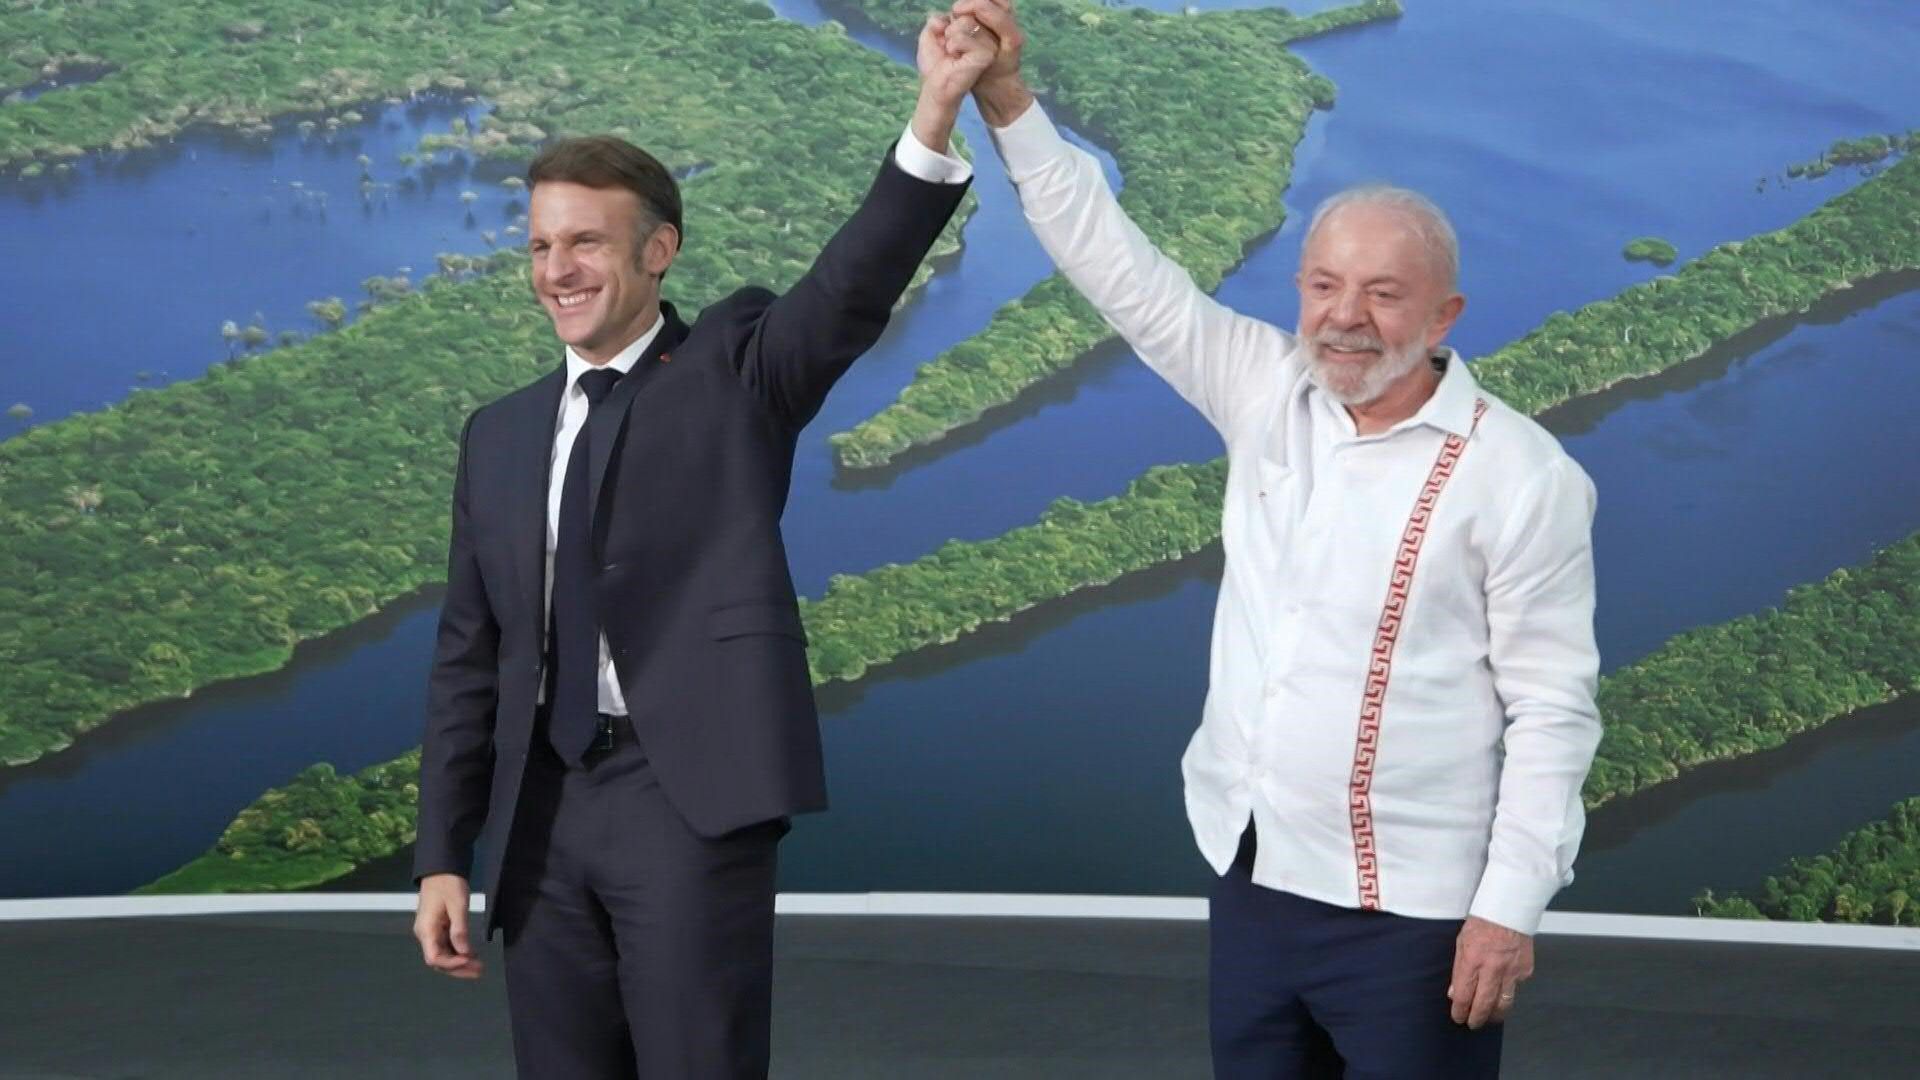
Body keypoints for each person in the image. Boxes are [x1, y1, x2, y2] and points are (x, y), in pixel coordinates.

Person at [952, 2, 1602, 1075]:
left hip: (1415, 918)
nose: (1345, 317)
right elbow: (1117, 267)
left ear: (1445, 316)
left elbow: (1552, 709)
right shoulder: (1264, 386)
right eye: (1324, 285)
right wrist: (1008, 102)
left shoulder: (1521, 477)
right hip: (1250, 878)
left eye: (1384, 295)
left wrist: (1507, 908)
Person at [410, 15, 999, 1077]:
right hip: (537, 819)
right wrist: (445, 856)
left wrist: (934, 112)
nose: (558, 270)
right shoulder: (497, 435)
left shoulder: (737, 369)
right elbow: (467, 652)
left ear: (658, 249)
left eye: (586, 241)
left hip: (681, 798)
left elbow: (850, 287)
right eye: (541, 245)